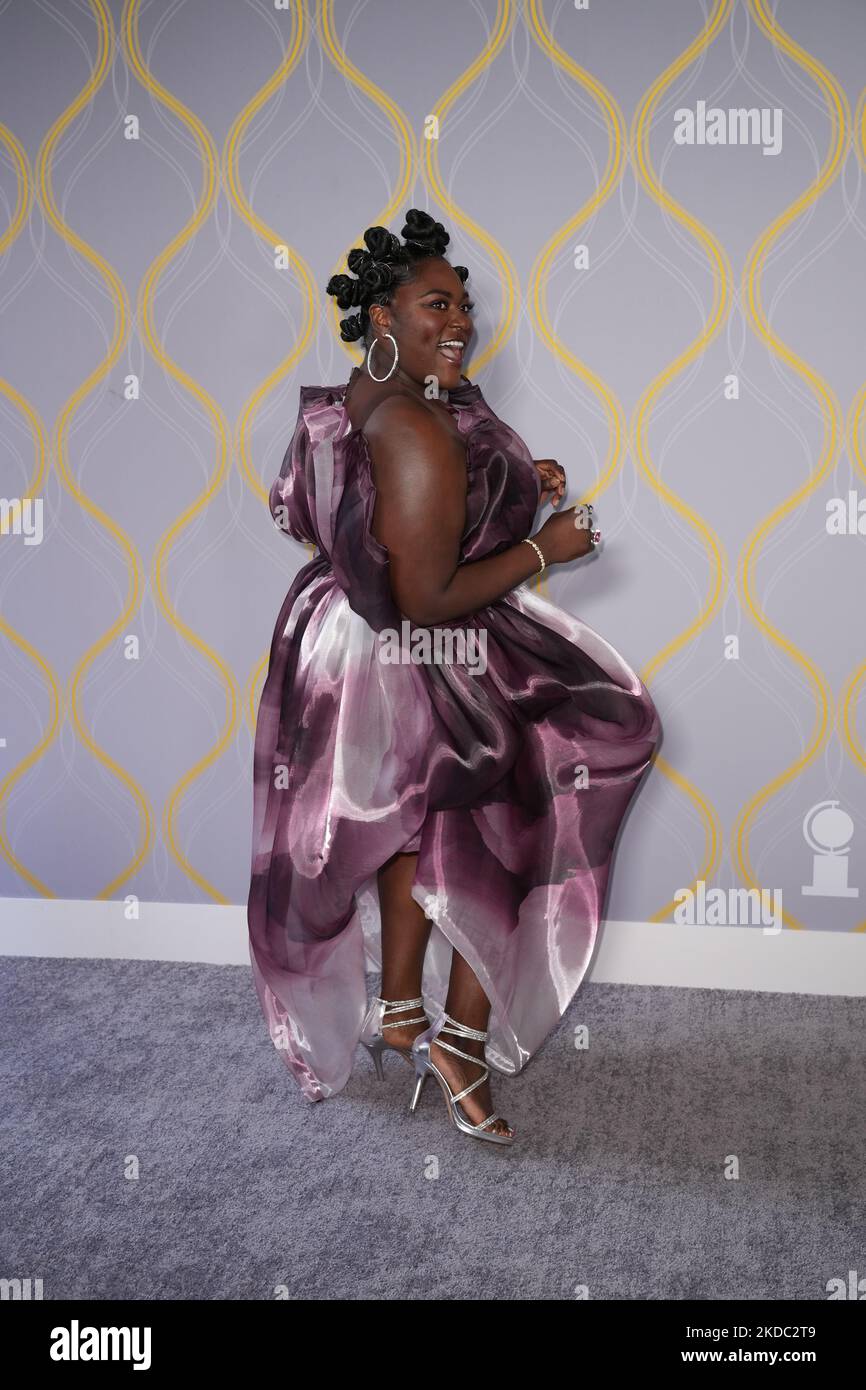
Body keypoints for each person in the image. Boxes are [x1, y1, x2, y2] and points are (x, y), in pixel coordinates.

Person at [247, 208, 661, 1146]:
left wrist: (508, 479)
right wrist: (540, 547)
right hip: (415, 642)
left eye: (465, 304)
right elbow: (431, 595)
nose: (463, 320)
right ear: (384, 317)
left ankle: (400, 1012)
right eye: (438, 303)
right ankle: (459, 1042)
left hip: (341, 638)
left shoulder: (365, 396)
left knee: (406, 821)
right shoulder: (417, 431)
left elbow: (384, 511)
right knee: (511, 819)